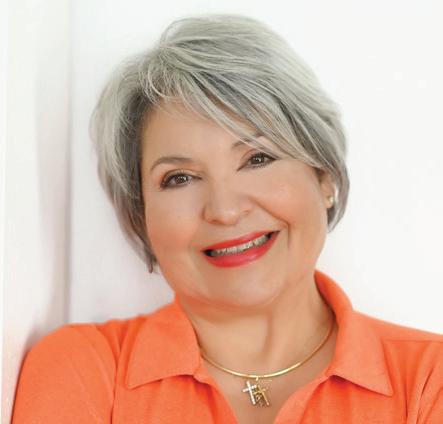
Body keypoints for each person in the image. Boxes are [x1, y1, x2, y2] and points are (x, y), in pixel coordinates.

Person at [12, 14, 442, 424]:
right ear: (140, 214)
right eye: (179, 178)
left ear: (324, 177)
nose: (225, 210)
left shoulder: (429, 379)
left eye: (257, 159)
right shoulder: (86, 370)